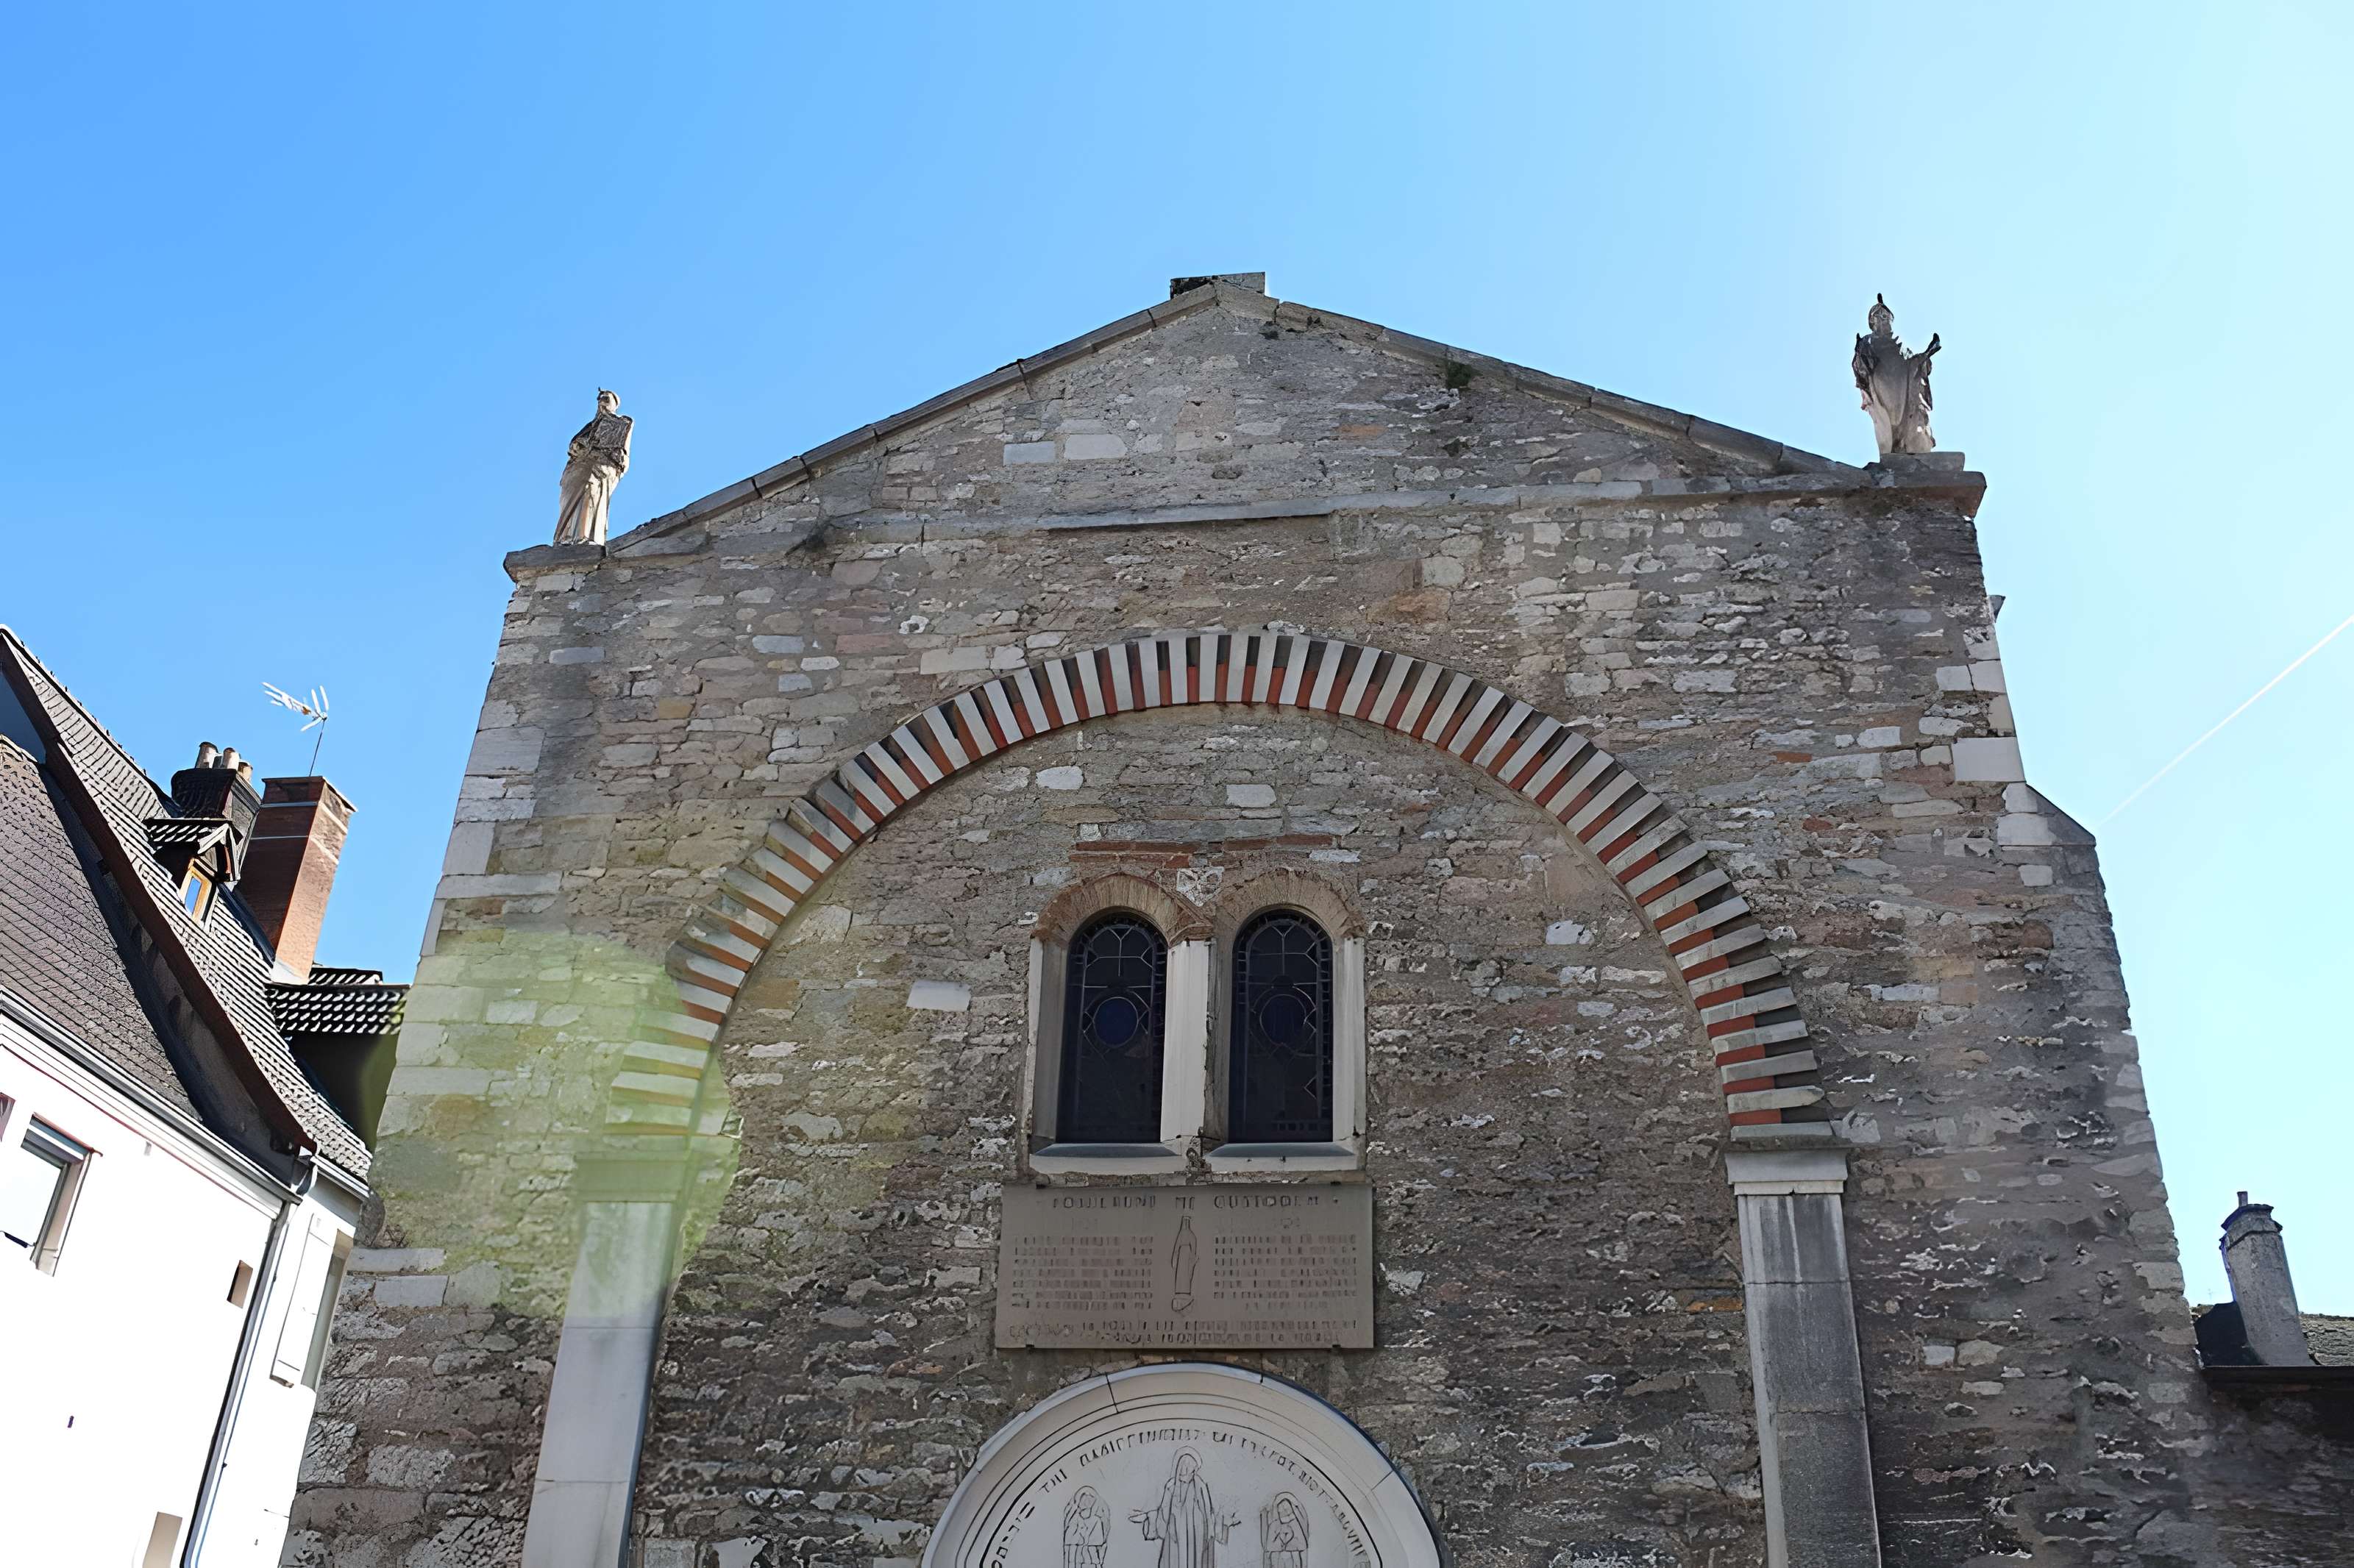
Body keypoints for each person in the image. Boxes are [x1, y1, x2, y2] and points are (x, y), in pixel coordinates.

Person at [1129, 1450, 1238, 1568]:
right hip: (1175, 1542)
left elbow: (1208, 1515)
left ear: (1194, 1469)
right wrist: (1147, 1517)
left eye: (1188, 1466)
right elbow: (1163, 1515)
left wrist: (1225, 1521)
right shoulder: (1171, 1487)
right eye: (1182, 1465)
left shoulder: (1200, 1486)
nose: (1184, 1469)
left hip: (1197, 1541)